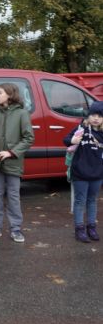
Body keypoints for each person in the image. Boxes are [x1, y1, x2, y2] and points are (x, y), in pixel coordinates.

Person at [0, 83, 34, 243]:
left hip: (13, 164)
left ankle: (16, 230)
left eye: (0, 92)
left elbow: (28, 138)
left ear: (10, 95)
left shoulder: (22, 114)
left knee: (13, 197)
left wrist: (11, 152)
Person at [63, 101, 103, 242]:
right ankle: (79, 229)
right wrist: (73, 140)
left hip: (97, 173)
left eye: (100, 116)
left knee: (92, 200)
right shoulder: (81, 129)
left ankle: (91, 227)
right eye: (93, 115)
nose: (96, 118)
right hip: (80, 173)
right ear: (88, 116)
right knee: (80, 201)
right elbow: (66, 140)